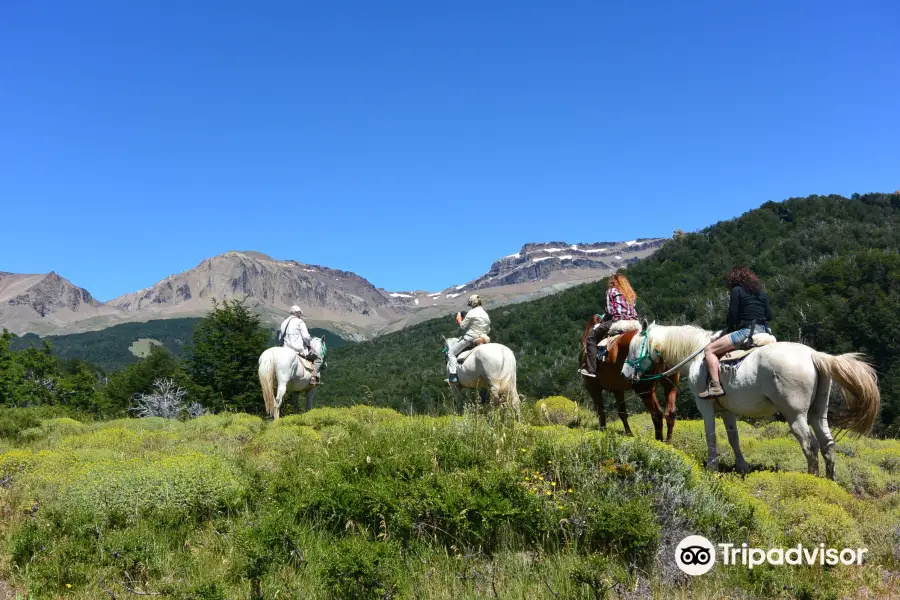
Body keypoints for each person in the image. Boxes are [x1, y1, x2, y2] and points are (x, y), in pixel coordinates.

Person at [698, 266, 774, 399]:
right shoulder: (761, 292)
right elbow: (769, 315)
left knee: (709, 350)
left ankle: (715, 386)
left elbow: (732, 316)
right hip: (766, 332)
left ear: (734, 279)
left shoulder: (736, 290)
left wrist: (731, 326)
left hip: (746, 332)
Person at [579, 272, 641, 378]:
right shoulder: (630, 292)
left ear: (612, 282)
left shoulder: (611, 290)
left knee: (591, 339)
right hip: (634, 323)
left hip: (619, 322)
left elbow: (610, 312)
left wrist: (602, 323)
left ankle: (592, 370)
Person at [445, 294, 491, 383]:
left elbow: (462, 326)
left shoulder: (471, 312)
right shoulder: (485, 314)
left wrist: (459, 319)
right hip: (482, 337)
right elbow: (488, 329)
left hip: (470, 338)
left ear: (472, 304)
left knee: (451, 353)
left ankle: (453, 375)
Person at [279, 305, 323, 384]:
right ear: (298, 313)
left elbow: (280, 338)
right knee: (318, 359)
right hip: (298, 350)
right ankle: (313, 378)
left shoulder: (284, 323)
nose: (300, 315)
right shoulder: (300, 322)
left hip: (285, 349)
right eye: (300, 313)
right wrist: (309, 345)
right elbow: (306, 337)